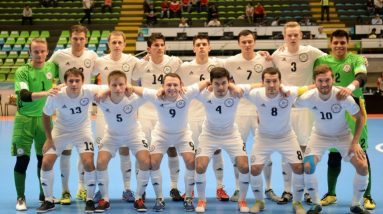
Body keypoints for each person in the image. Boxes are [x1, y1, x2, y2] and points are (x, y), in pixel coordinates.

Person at [129, 73, 210, 211]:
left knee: (191, 162)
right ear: (162, 86)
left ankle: (189, 198)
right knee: (153, 163)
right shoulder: (156, 96)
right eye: (168, 85)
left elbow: (208, 81)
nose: (172, 88)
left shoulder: (187, 93)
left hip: (183, 134)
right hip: (162, 135)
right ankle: (159, 198)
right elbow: (131, 88)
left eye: (175, 85)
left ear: (181, 86)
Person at [314, 29, 375, 211]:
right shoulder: (322, 61)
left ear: (348, 43)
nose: (339, 46)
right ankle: (331, 193)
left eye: (343, 42)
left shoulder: (356, 59)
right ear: (330, 44)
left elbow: (362, 76)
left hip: (354, 106)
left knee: (360, 151)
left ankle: (367, 196)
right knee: (334, 153)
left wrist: (350, 87)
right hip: (331, 108)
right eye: (336, 42)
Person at [295, 64, 370, 214]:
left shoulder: (342, 97)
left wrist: (355, 143)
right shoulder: (308, 97)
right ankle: (316, 204)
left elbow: (360, 118)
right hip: (319, 136)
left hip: (342, 136)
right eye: (320, 81)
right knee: (308, 166)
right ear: (315, 81)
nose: (324, 84)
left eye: (327, 80)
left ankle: (356, 204)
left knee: (363, 166)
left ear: (333, 79)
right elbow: (287, 103)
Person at [272, 21, 326, 204]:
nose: (293, 38)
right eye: (289, 35)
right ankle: (288, 191)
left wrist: (360, 59)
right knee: (286, 150)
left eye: (296, 34)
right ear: (284, 36)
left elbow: (334, 58)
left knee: (305, 149)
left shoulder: (311, 52)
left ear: (301, 35)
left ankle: (308, 191)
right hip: (285, 108)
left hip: (306, 109)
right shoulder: (277, 55)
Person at [242, 67, 308, 214]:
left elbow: (310, 87)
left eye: (275, 81)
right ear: (262, 82)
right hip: (264, 138)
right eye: (268, 81)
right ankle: (260, 202)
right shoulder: (255, 94)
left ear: (280, 81)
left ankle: (297, 203)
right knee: (255, 169)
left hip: (286, 137)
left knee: (299, 167)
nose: (271, 85)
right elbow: (237, 88)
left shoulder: (289, 93)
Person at [92, 31, 147, 204]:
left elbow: (144, 70)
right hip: (106, 111)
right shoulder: (99, 61)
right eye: (113, 42)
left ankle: (128, 188)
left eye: (119, 42)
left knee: (125, 150)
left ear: (124, 44)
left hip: (128, 108)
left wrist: (148, 59)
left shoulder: (132, 60)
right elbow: (86, 75)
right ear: (108, 44)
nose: (116, 45)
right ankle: (101, 191)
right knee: (102, 151)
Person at [37, 68, 101, 213]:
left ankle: (90, 200)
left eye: (77, 80)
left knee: (88, 162)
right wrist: (48, 138)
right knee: (46, 162)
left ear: (82, 81)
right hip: (61, 131)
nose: (74, 83)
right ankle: (48, 201)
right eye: (70, 81)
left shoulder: (89, 90)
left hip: (82, 131)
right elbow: (45, 115)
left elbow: (112, 85)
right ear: (65, 82)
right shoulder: (56, 95)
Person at [223, 29, 275, 202]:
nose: (247, 45)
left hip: (261, 110)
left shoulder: (265, 60)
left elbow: (272, 81)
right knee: (238, 151)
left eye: (250, 41)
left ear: (255, 42)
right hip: (238, 111)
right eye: (243, 42)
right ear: (238, 43)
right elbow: (214, 72)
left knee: (265, 149)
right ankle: (238, 188)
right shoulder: (230, 62)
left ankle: (268, 187)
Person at [131, 33, 184, 202]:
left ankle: (174, 187)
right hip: (146, 113)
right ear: (148, 49)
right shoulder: (140, 65)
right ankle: (142, 188)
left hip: (168, 112)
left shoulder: (174, 62)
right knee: (143, 153)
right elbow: (132, 82)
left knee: (172, 149)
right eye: (156, 45)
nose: (160, 48)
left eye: (162, 45)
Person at [49, 24, 98, 205]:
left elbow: (109, 66)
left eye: (81, 38)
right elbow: (47, 74)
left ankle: (81, 187)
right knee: (66, 152)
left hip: (84, 111)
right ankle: (65, 191)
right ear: (70, 38)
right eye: (75, 38)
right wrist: (54, 87)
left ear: (86, 39)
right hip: (64, 110)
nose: (78, 42)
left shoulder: (92, 56)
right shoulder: (59, 55)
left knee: (84, 152)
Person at [177, 34, 230, 201]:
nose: (201, 47)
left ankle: (220, 187)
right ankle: (190, 190)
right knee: (191, 155)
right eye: (198, 44)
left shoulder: (219, 64)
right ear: (193, 48)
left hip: (214, 115)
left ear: (209, 47)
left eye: (204, 44)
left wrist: (264, 55)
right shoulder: (184, 67)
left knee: (216, 151)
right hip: (191, 116)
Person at [12, 38, 59, 211]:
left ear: (47, 52)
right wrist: (46, 92)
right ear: (30, 52)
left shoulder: (51, 67)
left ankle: (43, 195)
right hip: (24, 120)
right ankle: (20, 197)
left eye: (42, 51)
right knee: (22, 160)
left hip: (44, 120)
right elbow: (24, 95)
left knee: (44, 159)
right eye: (35, 51)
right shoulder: (23, 71)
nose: (39, 55)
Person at [93, 70, 151, 212]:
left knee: (145, 161)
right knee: (100, 162)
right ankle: (105, 199)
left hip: (134, 135)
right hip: (112, 136)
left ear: (126, 85)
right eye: (114, 85)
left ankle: (138, 198)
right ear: (108, 85)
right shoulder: (102, 98)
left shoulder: (134, 98)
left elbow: (152, 92)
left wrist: (134, 88)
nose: (118, 88)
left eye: (121, 85)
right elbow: (81, 87)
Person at [194, 67, 250, 213]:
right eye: (216, 84)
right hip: (209, 134)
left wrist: (233, 86)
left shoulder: (235, 93)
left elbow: (258, 85)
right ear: (210, 84)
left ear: (229, 82)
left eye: (224, 83)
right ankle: (202, 200)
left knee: (244, 166)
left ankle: (242, 200)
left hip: (231, 134)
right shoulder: (204, 94)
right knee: (200, 167)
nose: (220, 87)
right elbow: (186, 89)